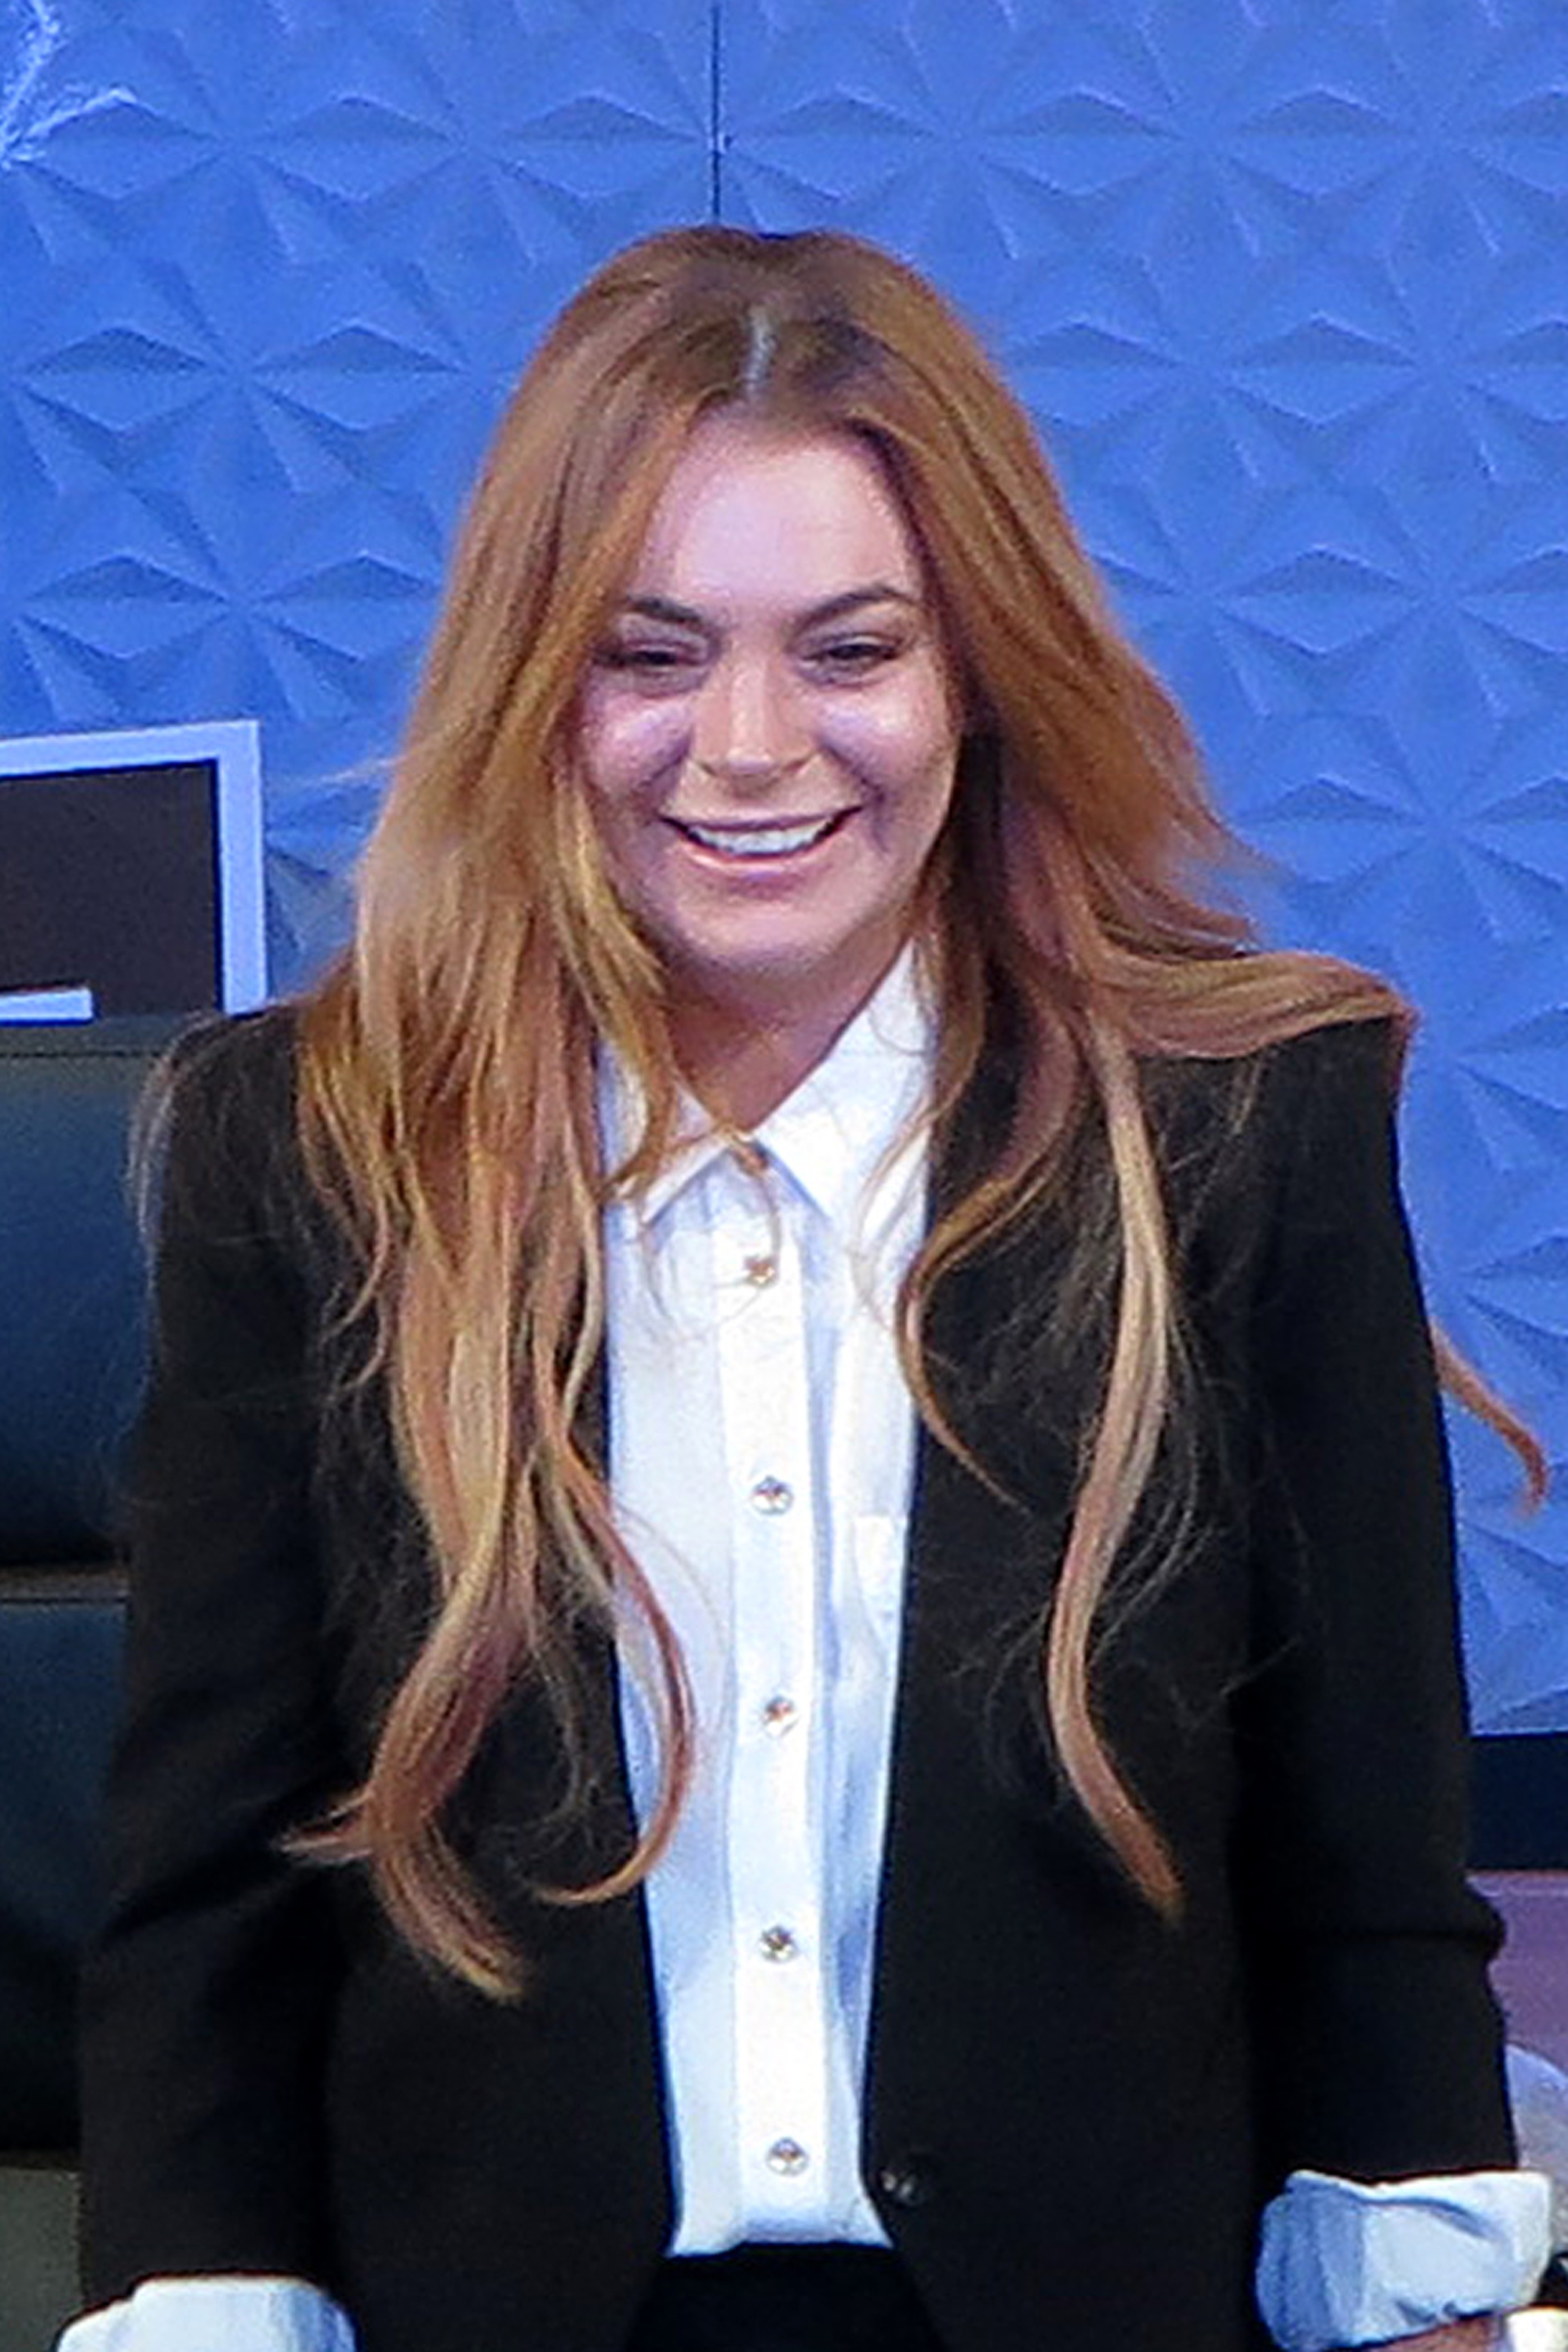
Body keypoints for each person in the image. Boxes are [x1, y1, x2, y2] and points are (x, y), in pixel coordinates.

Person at [63, 226, 1550, 2352]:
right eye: (650, 655)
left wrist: (1419, 2286)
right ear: (533, 680)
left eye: (850, 650)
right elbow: (206, 1890)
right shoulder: (313, 1144)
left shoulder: (1239, 1126)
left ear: (980, 673)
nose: (749, 746)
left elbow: (1367, 1852)